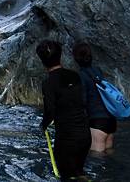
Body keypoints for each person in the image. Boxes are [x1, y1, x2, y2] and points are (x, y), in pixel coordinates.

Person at [36, 40, 91, 181]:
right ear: (60, 56)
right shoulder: (75, 75)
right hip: (85, 135)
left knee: (66, 176)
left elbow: (50, 110)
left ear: (42, 60)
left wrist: (43, 125)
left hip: (67, 139)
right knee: (79, 172)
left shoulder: (48, 83)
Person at [73, 42, 117, 152]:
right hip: (111, 120)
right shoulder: (98, 71)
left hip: (97, 122)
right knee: (109, 154)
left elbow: (82, 101)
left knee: (96, 157)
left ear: (76, 58)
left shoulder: (81, 76)